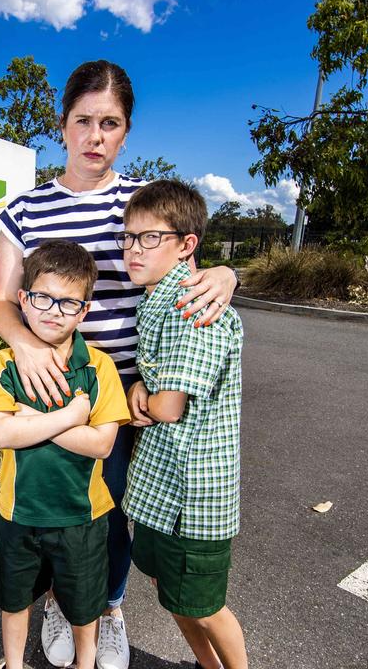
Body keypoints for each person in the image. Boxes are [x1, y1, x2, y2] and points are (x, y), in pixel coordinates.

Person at [0, 59, 238, 669]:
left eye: (110, 123)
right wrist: (25, 344)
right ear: (63, 125)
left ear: (126, 132)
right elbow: (0, 302)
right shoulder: (23, 211)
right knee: (54, 510)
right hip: (50, 385)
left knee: (116, 514)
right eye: (83, 121)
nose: (94, 137)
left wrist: (228, 274)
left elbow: (187, 262)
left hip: (129, 393)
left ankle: (108, 605)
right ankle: (58, 601)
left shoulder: (140, 204)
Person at [0, 239, 132, 669]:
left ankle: (86, 663)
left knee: (85, 605)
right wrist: (72, 416)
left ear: (84, 310)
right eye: (42, 297)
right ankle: (14, 662)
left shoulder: (98, 367)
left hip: (82, 515)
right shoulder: (5, 363)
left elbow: (102, 444)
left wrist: (34, 420)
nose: (53, 310)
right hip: (19, 513)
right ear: (23, 299)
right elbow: (0, 434)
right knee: (14, 599)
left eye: (68, 303)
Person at [120, 180, 247, 669]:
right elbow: (156, 396)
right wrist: (140, 392)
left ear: (186, 245)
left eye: (149, 238)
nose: (134, 249)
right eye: (128, 238)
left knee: (206, 605)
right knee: (172, 593)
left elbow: (168, 407)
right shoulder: (154, 300)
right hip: (161, 487)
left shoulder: (195, 306)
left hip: (193, 497)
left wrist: (142, 395)